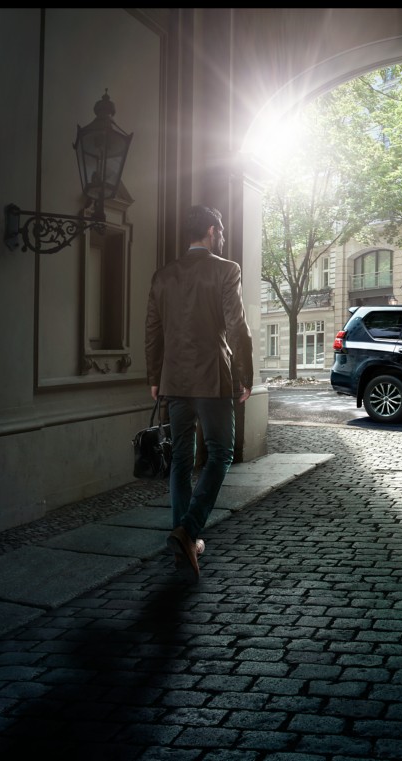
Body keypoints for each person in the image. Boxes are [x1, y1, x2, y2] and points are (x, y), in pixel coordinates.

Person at [144, 205, 253, 581]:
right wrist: (246, 374)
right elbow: (237, 327)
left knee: (179, 459)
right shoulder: (226, 269)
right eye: (220, 232)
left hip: (174, 381)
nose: (222, 237)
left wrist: (154, 377)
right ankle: (189, 529)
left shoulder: (163, 276)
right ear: (210, 231)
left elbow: (152, 330)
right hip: (212, 378)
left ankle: (182, 538)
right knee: (220, 453)